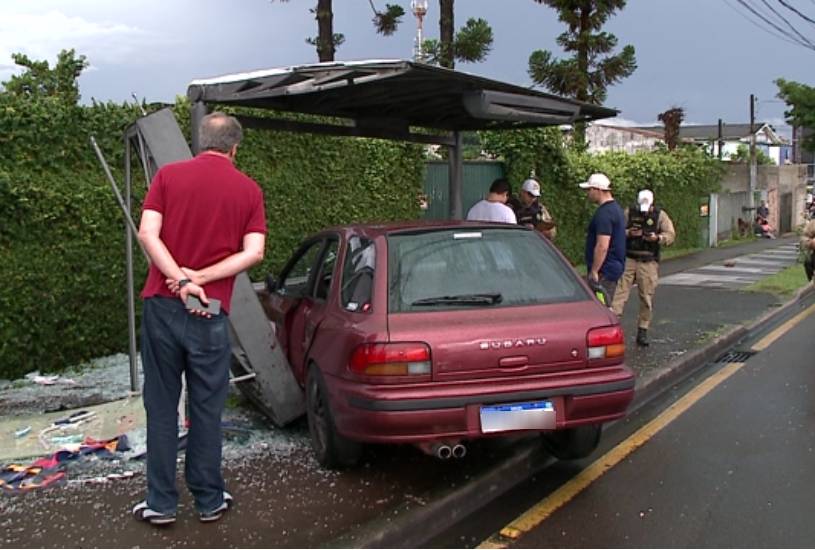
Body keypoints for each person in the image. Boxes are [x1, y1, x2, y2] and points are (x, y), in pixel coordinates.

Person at [133, 112, 267, 525]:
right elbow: (254, 252)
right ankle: (209, 500)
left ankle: (160, 503)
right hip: (209, 312)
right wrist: (201, 279)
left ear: (199, 141)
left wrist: (179, 279)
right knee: (207, 408)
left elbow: (146, 233)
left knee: (160, 407)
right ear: (235, 147)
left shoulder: (169, 177)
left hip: (162, 304)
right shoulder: (249, 190)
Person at [611, 189, 676, 347]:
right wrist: (628, 233)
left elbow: (671, 235)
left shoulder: (660, 216)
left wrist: (657, 238)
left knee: (646, 297)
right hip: (629, 258)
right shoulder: (630, 212)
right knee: (619, 294)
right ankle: (613, 327)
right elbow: (617, 231)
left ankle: (643, 330)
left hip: (648, 260)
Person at [579, 173, 626, 305]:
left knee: (601, 306)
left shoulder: (604, 214)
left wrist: (594, 270)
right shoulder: (616, 209)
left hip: (604, 270)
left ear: (598, 190)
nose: (587, 193)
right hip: (614, 267)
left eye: (589, 190)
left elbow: (602, 245)